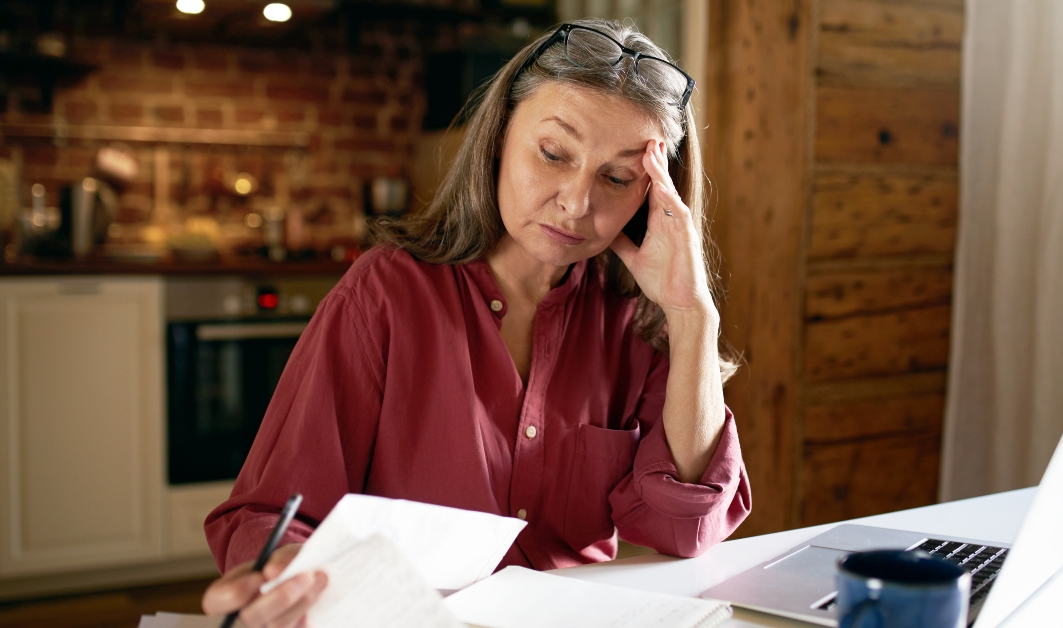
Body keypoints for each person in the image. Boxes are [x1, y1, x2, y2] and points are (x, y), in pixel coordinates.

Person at [201, 19, 751, 627]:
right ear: (497, 139)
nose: (577, 201)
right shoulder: (384, 294)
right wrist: (284, 577)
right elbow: (268, 515)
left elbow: (685, 527)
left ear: (653, 195)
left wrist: (692, 315)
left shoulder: (637, 321)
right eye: (553, 154)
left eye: (618, 177)